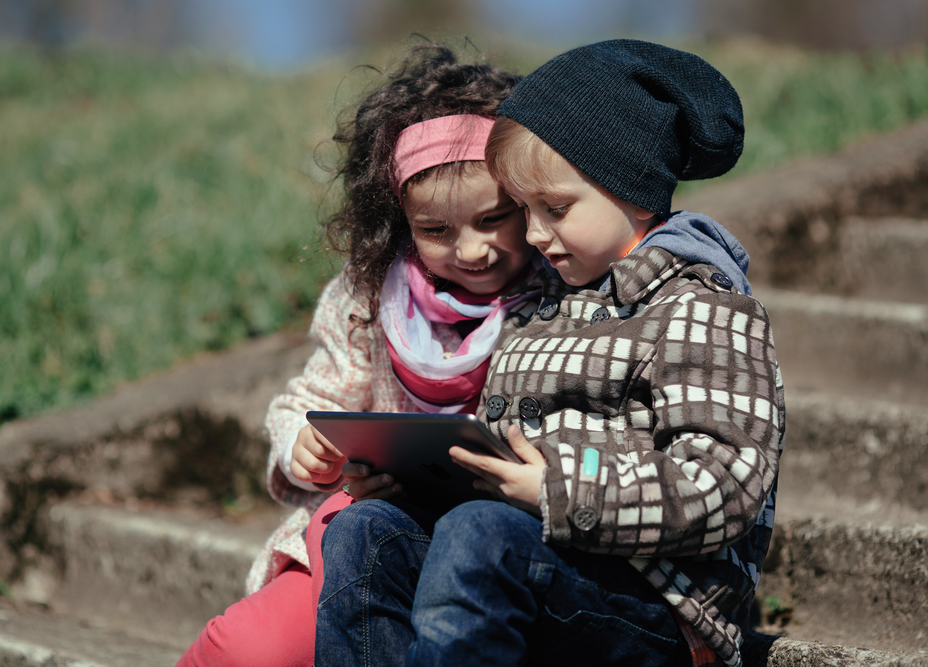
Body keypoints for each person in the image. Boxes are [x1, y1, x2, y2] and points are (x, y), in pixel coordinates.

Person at [314, 39, 785, 667]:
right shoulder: (546, 307)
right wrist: (412, 483)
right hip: (533, 561)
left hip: (656, 602)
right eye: (526, 211)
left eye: (555, 209)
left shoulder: (702, 310)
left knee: (483, 536)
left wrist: (559, 490)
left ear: (634, 189)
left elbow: (724, 483)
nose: (534, 234)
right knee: (367, 532)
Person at [176, 44, 539, 667]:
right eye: (437, 231)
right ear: (400, 222)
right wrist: (308, 451)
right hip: (361, 535)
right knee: (243, 648)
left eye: (493, 219)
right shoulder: (368, 297)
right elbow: (310, 403)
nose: (472, 250)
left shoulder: (561, 293)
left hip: (494, 552)